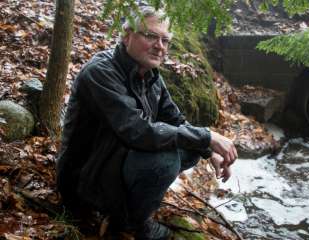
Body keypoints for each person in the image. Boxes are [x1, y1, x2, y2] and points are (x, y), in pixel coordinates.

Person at [56, 6, 237, 240]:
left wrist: (207, 150)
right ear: (126, 35)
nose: (160, 46)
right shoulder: (100, 72)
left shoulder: (150, 74)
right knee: (166, 160)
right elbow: (138, 131)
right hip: (84, 180)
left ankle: (127, 208)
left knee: (190, 149)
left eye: (165, 40)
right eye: (150, 35)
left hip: (115, 160)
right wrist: (209, 137)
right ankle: (130, 224)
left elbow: (175, 119)